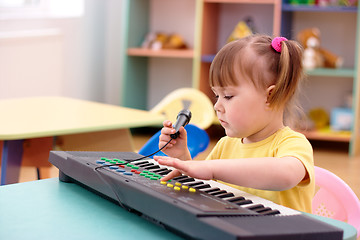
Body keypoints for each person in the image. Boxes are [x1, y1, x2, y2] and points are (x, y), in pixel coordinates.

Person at [154, 34, 314, 213]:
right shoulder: (225, 146)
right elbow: (205, 189)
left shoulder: (292, 143)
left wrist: (211, 168)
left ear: (269, 96)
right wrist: (183, 160)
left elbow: (286, 175)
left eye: (228, 96)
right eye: (217, 95)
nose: (217, 106)